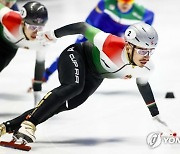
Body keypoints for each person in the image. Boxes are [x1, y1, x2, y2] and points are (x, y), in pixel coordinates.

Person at [0, 22, 175, 143]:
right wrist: (52, 35)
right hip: (76, 55)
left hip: (95, 75)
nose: (147, 57)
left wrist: (156, 115)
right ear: (129, 46)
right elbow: (82, 27)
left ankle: (8, 127)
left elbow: (143, 85)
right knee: (73, 87)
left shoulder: (146, 67)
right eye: (143, 51)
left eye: (150, 52)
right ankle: (29, 125)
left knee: (69, 103)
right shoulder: (110, 44)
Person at [42, 0, 154, 82]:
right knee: (72, 49)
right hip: (97, 29)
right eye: (122, 0)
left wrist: (132, 34)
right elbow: (90, 20)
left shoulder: (141, 12)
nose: (125, 3)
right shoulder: (105, 3)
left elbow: (150, 19)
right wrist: (84, 35)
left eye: (128, 1)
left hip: (115, 35)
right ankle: (46, 74)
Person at [0, 1, 48, 104]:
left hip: (8, 49)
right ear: (22, 22)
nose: (36, 32)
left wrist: (37, 99)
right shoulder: (9, 18)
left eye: (40, 27)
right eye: (32, 27)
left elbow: (39, 68)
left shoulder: (42, 40)